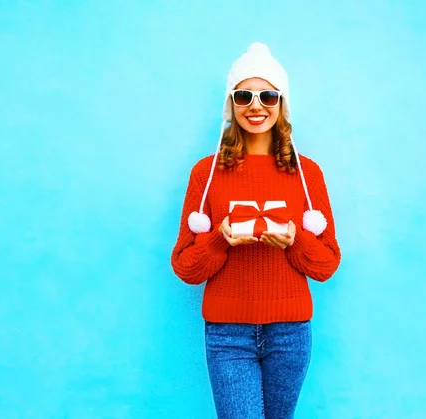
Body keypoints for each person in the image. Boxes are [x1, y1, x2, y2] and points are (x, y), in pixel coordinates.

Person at [171, 42, 341, 419]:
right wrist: (219, 239)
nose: (256, 105)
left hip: (290, 334)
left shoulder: (307, 173)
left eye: (267, 95)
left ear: (282, 103)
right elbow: (184, 267)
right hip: (228, 335)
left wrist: (296, 241)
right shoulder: (206, 173)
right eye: (244, 95)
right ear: (231, 104)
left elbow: (327, 264)